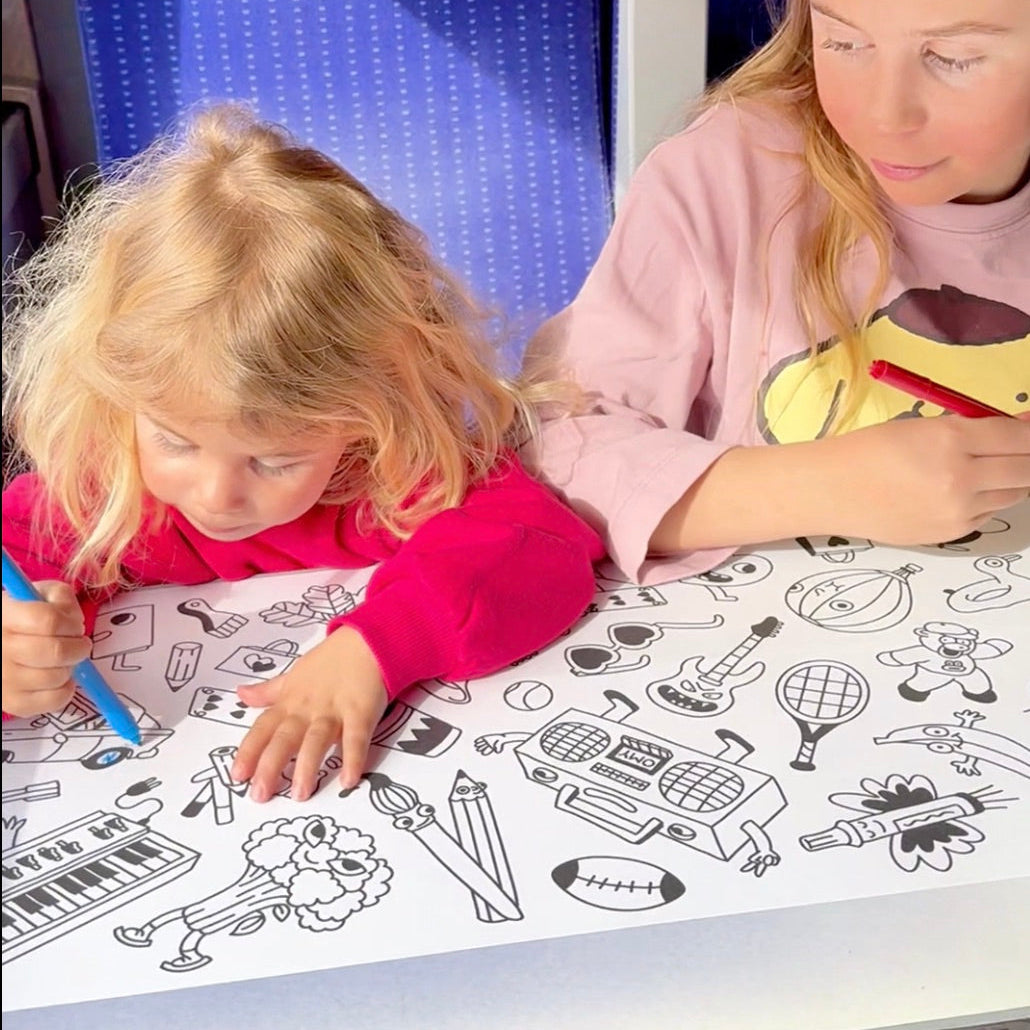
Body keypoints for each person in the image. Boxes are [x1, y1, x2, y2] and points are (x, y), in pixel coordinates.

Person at [1, 103, 603, 802]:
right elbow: (18, 565)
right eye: (176, 440)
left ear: (365, 414)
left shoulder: (382, 473)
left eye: (273, 460)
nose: (214, 495)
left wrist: (374, 651)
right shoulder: (103, 487)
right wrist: (15, 654)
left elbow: (536, 545)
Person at [522, 0, 1030, 586]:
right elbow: (556, 443)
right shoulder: (725, 177)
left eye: (954, 58)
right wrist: (824, 486)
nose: (886, 116)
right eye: (843, 41)